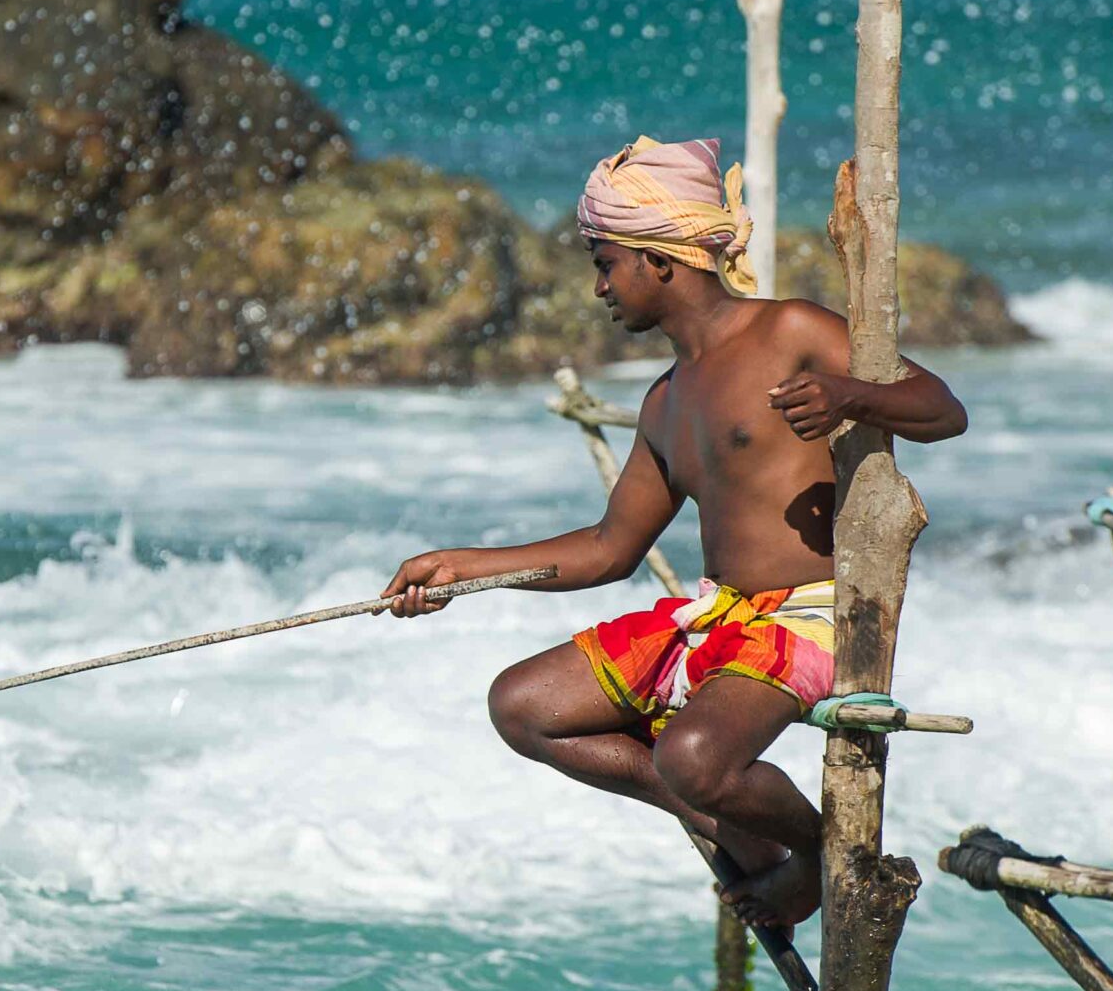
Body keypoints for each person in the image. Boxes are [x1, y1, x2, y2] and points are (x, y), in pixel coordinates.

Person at [381, 136, 967, 928]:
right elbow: (607, 549)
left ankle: (820, 856)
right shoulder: (665, 401)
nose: (599, 288)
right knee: (523, 705)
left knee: (691, 755)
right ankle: (737, 830)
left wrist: (848, 394)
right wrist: (459, 567)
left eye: (605, 262)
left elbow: (942, 409)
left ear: (659, 260)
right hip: (719, 614)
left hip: (813, 614)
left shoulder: (789, 329)